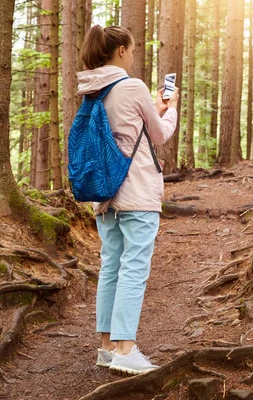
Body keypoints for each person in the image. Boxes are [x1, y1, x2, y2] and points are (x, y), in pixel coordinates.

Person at [77, 25, 180, 375]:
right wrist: (171, 108)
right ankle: (126, 349)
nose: (134, 57)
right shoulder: (132, 86)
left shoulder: (92, 89)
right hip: (136, 191)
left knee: (111, 268)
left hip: (104, 194)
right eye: (133, 51)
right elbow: (160, 135)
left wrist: (153, 106)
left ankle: (106, 347)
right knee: (134, 267)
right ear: (120, 50)